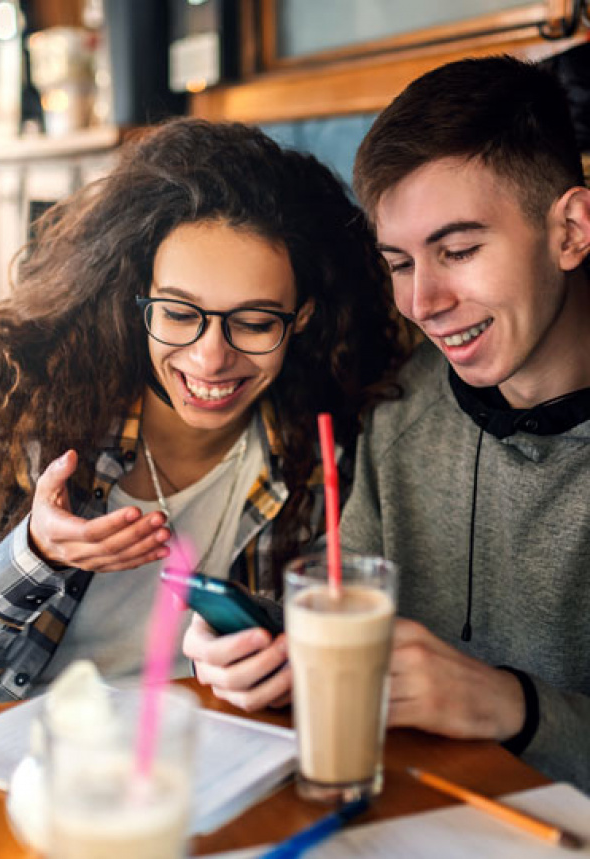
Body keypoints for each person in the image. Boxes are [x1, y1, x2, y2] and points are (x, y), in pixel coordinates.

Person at [0, 117, 406, 731]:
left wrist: (275, 650)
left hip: (198, 761)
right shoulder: (16, 419)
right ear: (135, 300)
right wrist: (33, 555)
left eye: (255, 321)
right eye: (180, 313)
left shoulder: (317, 452)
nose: (211, 355)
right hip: (10, 763)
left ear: (301, 320)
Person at [187, 55, 590, 791]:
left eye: (459, 250)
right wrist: (267, 649)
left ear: (569, 228)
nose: (423, 301)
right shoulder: (406, 405)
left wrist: (517, 707)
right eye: (400, 263)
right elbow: (348, 606)